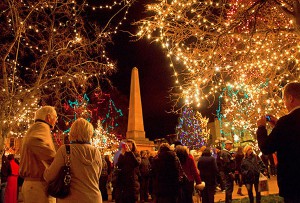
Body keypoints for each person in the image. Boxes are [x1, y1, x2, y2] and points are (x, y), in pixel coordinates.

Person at [257, 82, 300, 203]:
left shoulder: (286, 122)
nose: (284, 104)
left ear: (290, 98)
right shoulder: (285, 123)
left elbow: (266, 147)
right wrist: (278, 125)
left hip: (294, 184)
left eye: (284, 99)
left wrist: (261, 128)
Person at [44, 118, 102, 202]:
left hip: (70, 199)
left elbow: (50, 176)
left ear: (72, 132)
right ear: (90, 133)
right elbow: (97, 176)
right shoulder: (96, 152)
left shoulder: (65, 150)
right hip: (94, 198)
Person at [19, 106, 57, 203]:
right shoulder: (42, 127)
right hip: (38, 186)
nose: (56, 120)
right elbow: (33, 141)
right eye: (55, 117)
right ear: (48, 117)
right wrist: (56, 159)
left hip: (32, 185)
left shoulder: (34, 128)